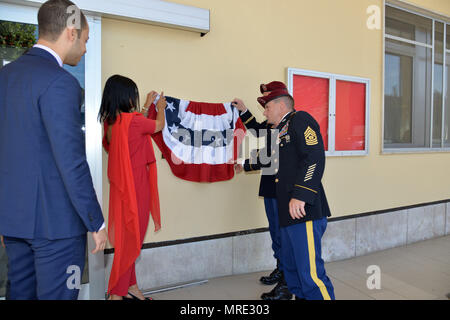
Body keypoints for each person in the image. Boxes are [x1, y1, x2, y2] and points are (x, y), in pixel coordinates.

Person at [0, 0, 107, 300]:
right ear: (71, 33)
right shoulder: (61, 83)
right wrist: (95, 221)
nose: (85, 49)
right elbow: (71, 162)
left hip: (14, 221)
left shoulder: (5, 78)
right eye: (86, 39)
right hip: (56, 227)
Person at [257, 85, 335, 300]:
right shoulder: (280, 130)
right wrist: (243, 163)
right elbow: (269, 159)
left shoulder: (300, 119)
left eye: (268, 107)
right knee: (292, 273)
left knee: (310, 275)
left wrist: (301, 194)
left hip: (303, 210)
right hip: (287, 212)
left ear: (282, 105)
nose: (264, 112)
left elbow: (314, 156)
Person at [99, 75, 167, 300]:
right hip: (137, 188)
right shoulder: (134, 121)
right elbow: (157, 126)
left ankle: (132, 286)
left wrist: (147, 106)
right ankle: (116, 293)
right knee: (132, 243)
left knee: (127, 240)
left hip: (121, 192)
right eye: (134, 95)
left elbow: (132, 132)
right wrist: (160, 107)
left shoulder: (110, 122)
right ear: (126, 96)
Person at [232, 81, 292, 300]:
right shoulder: (272, 124)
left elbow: (270, 154)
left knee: (284, 234)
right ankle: (281, 268)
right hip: (269, 185)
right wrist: (244, 111)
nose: (265, 105)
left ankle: (287, 278)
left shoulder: (288, 126)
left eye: (267, 99)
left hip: (283, 190)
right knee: (275, 232)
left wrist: (246, 164)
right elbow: (257, 130)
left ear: (280, 100)